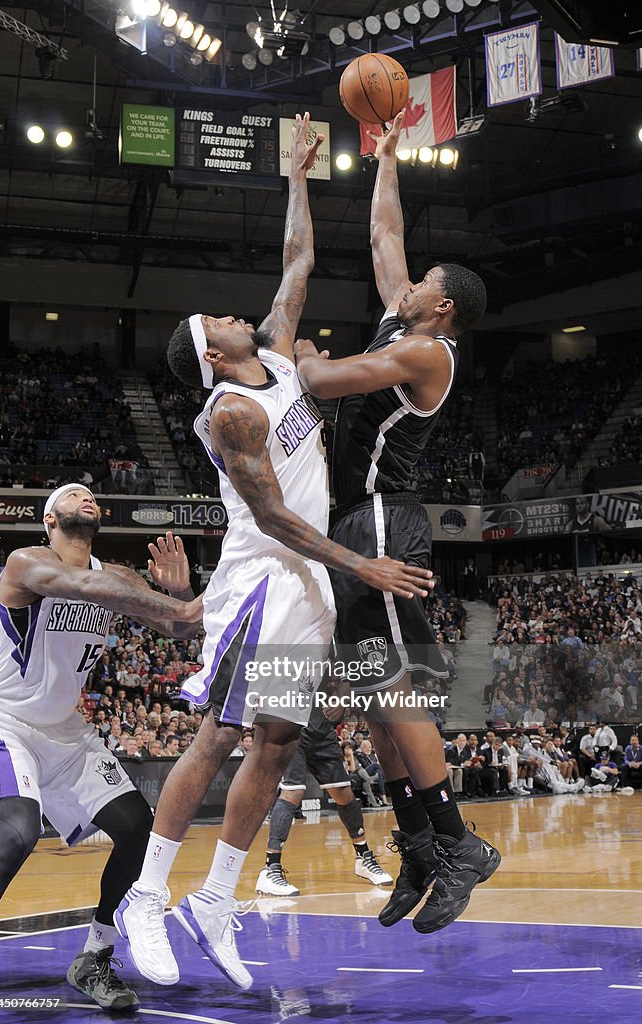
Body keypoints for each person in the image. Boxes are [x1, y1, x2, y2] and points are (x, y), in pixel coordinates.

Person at [115, 114, 434, 992]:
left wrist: (298, 173)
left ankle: (216, 897)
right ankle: (145, 895)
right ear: (212, 353)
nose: (234, 313)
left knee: (280, 737)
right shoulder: (232, 413)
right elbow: (278, 520)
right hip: (265, 574)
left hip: (306, 583)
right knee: (220, 733)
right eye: (218, 317)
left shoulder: (276, 360)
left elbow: (297, 262)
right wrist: (358, 564)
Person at [294, 109, 499, 936]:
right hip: (355, 525)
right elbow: (385, 243)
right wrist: (383, 159)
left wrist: (303, 355)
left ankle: (457, 843)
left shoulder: (426, 353)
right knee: (372, 699)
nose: (404, 285)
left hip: (382, 519)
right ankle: (417, 839)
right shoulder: (404, 318)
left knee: (394, 687)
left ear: (441, 307)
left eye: (421, 286)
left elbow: (325, 382)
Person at [0, 483, 203, 1011]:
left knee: (136, 828)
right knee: (16, 834)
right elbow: (81, 585)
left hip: (66, 731)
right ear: (48, 518)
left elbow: (175, 629)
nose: (85, 496)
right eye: (72, 493)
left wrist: (177, 596)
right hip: (5, 718)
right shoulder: (25, 562)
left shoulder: (119, 577)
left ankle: (95, 956)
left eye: (90, 494)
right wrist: (177, 605)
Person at [255, 707, 392, 897]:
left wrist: (341, 700)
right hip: (287, 721)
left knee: (344, 793)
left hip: (319, 725)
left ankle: (364, 857)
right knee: (292, 791)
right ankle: (271, 868)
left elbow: (343, 680)